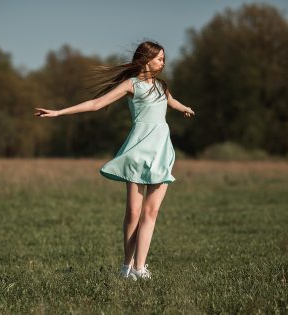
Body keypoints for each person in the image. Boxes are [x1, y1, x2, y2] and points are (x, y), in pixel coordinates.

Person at [34, 40, 195, 280]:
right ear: (146, 59)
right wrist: (59, 112)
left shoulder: (161, 86)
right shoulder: (131, 85)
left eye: (164, 58)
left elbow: (170, 101)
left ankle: (140, 268)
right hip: (138, 151)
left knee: (151, 212)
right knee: (133, 212)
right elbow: (96, 104)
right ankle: (126, 267)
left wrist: (184, 107)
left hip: (162, 151)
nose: (163, 62)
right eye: (160, 58)